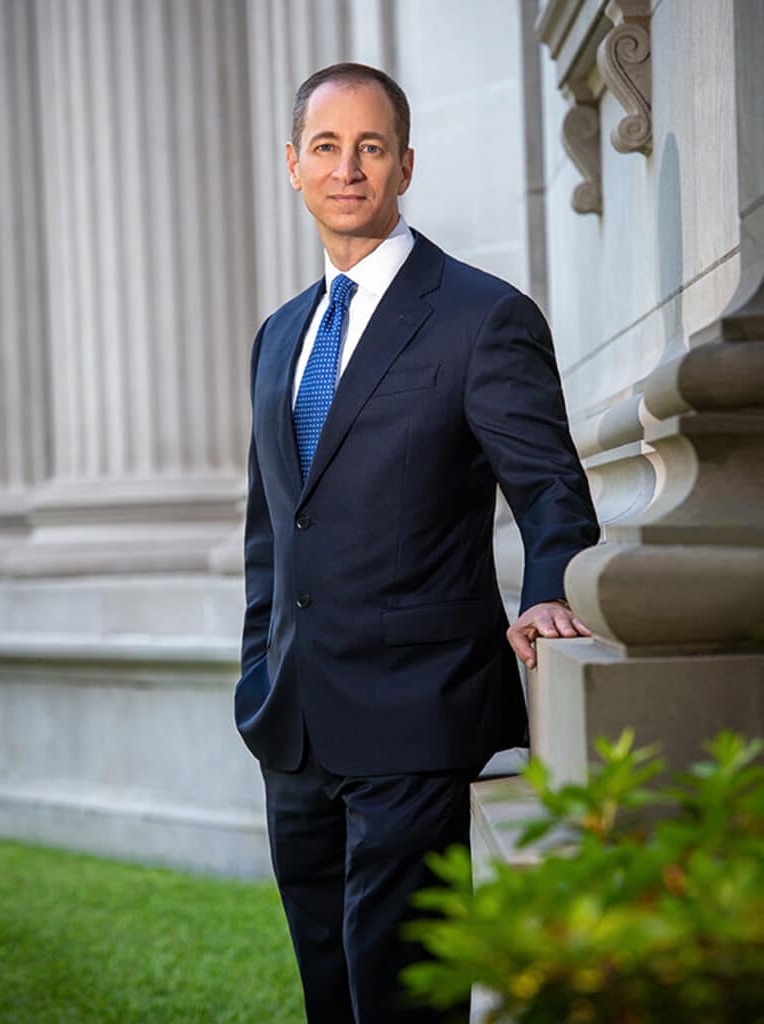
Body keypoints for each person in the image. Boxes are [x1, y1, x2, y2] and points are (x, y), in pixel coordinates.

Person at [235, 62, 599, 1024]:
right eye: (326, 147)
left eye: (370, 147)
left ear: (405, 164)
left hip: (417, 707)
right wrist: (256, 667)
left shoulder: (481, 316)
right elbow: (271, 530)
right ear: (293, 164)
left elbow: (550, 488)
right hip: (293, 715)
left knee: (400, 989)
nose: (347, 168)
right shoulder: (280, 335)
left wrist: (549, 589)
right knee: (326, 984)